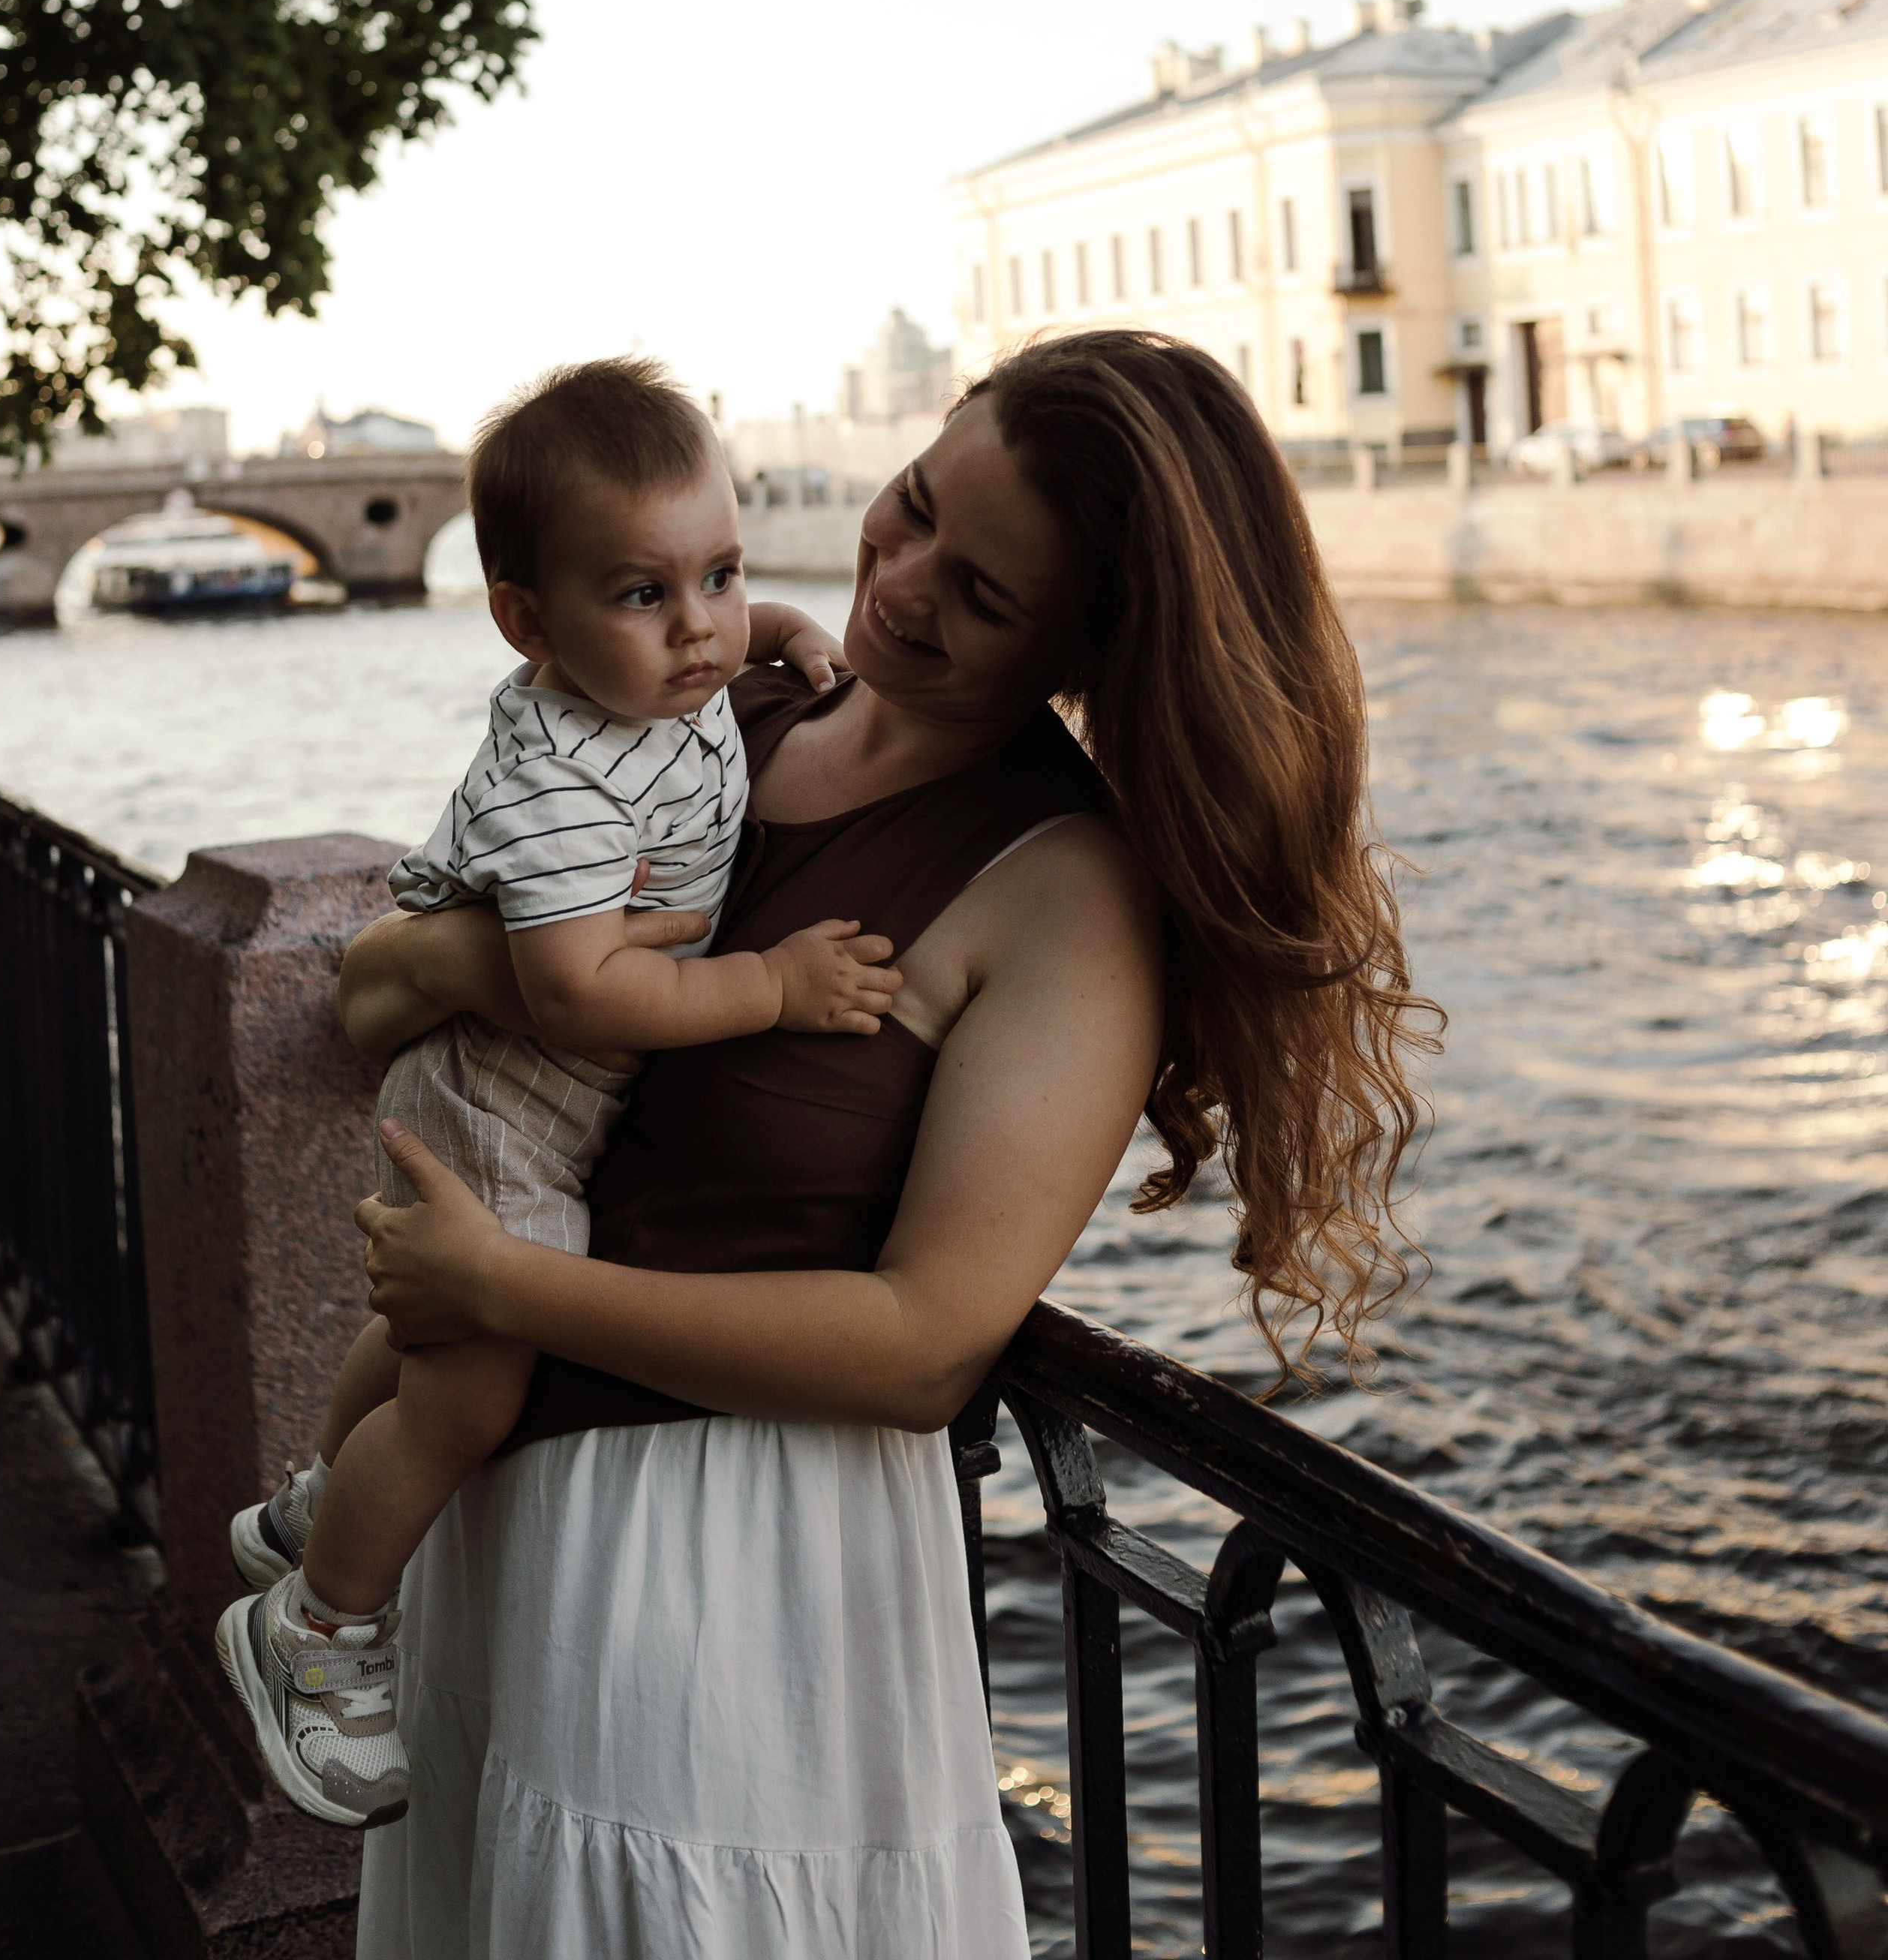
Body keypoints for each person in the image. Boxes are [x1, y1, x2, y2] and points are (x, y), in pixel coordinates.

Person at [337, 329, 1431, 1957]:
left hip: (738, 1580)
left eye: (980, 595)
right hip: (497, 1540)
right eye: (914, 508)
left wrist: (502, 1285)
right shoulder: (713, 712)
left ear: (1088, 645)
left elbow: (924, 1347)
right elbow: (372, 993)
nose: (901, 582)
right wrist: (517, 979)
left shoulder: (1066, 894)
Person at [215, 358, 900, 1827]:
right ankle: (317, 1629)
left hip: (518, 1090)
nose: (702, 626)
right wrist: (771, 989)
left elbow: (710, 632)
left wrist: (775, 625)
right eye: (645, 594)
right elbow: (578, 990)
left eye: (719, 573)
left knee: (416, 1326)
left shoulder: (665, 670)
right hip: (504, 1094)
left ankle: (311, 1499)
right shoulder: (559, 780)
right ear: (526, 618)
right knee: (468, 1386)